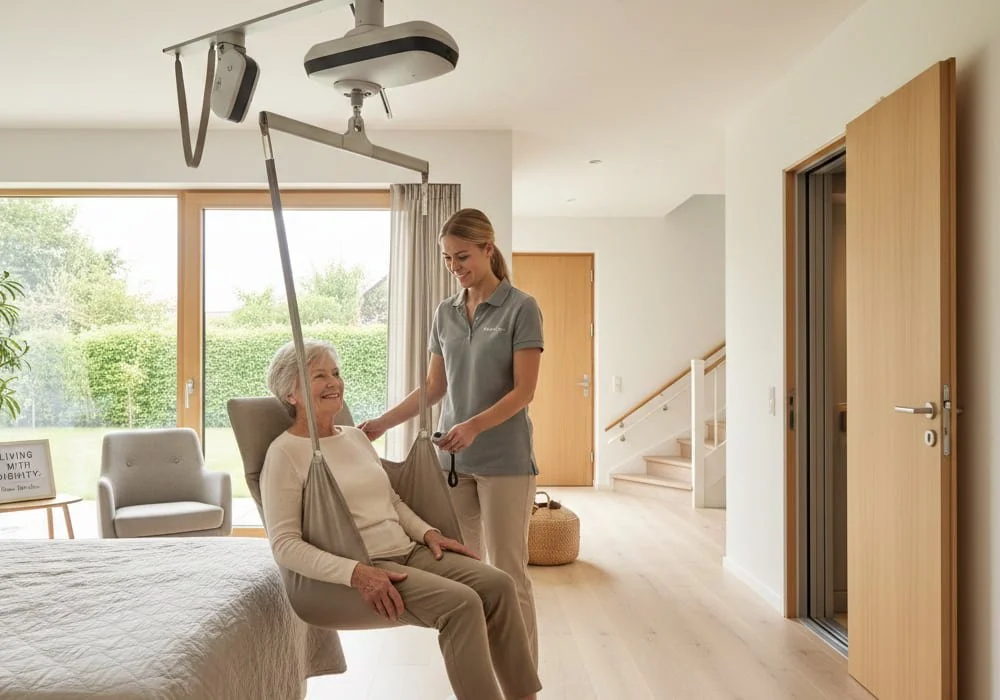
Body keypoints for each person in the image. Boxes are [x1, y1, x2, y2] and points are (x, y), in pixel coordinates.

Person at [259, 339, 542, 700]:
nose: (333, 382)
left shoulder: (355, 438)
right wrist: (358, 574)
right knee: (463, 604)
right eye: (319, 376)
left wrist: (427, 534)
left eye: (336, 372)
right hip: (367, 565)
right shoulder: (285, 454)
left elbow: (390, 499)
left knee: (500, 585)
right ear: (290, 393)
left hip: (409, 551)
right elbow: (284, 546)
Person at [359, 207, 544, 667]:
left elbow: (525, 390)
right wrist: (382, 423)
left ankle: (522, 680)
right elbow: (434, 388)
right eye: (447, 259)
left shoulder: (521, 307)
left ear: (488, 248)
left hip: (505, 462)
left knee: (508, 574)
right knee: (463, 574)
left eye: (462, 257)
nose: (455, 268)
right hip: (453, 465)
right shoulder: (445, 313)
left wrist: (475, 425)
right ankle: (480, 670)